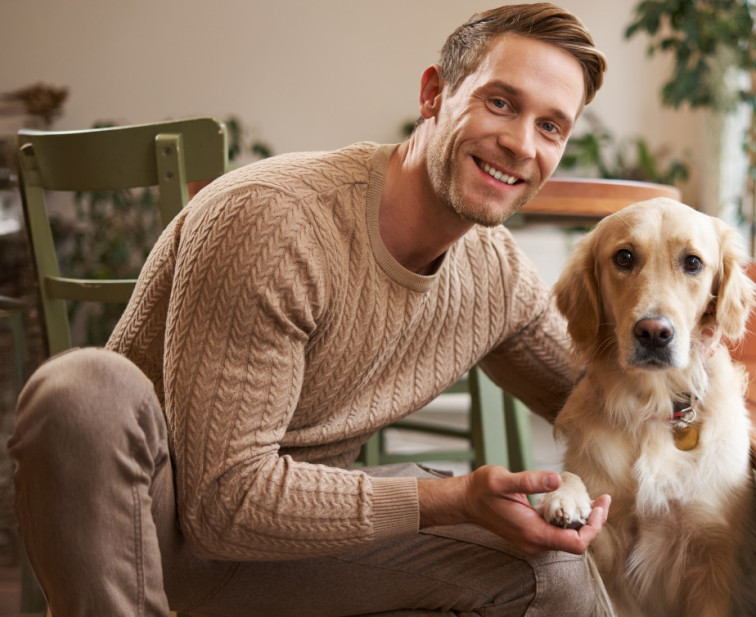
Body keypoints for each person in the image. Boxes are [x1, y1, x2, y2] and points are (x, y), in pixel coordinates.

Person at [10, 4, 612, 616]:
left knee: (552, 567)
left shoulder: (496, 275)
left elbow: (608, 388)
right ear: (434, 93)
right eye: (501, 103)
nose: (519, 144)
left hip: (288, 554)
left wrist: (701, 352)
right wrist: (451, 499)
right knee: (82, 391)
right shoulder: (276, 221)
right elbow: (221, 505)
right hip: (160, 539)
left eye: (552, 127)